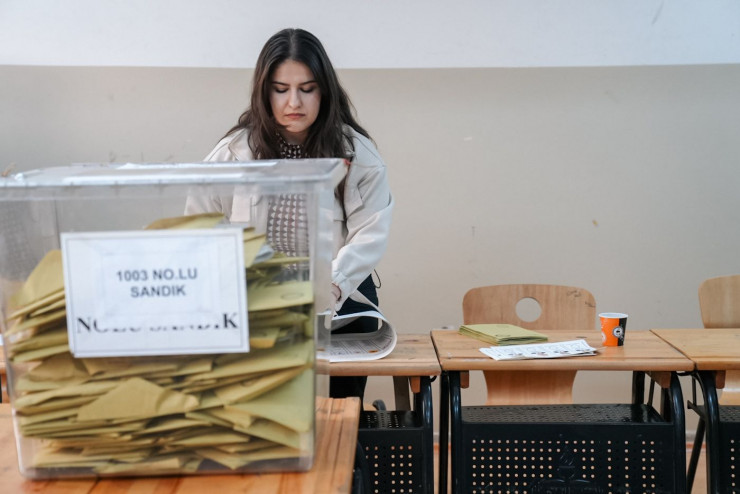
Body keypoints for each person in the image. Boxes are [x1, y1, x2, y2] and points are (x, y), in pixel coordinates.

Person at [185, 28, 393, 402]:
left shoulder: (358, 154)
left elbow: (370, 232)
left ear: (324, 91)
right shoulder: (232, 154)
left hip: (339, 300)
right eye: (281, 89)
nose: (293, 102)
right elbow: (200, 230)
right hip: (260, 306)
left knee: (339, 414)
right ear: (264, 92)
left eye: (307, 89)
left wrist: (332, 285)